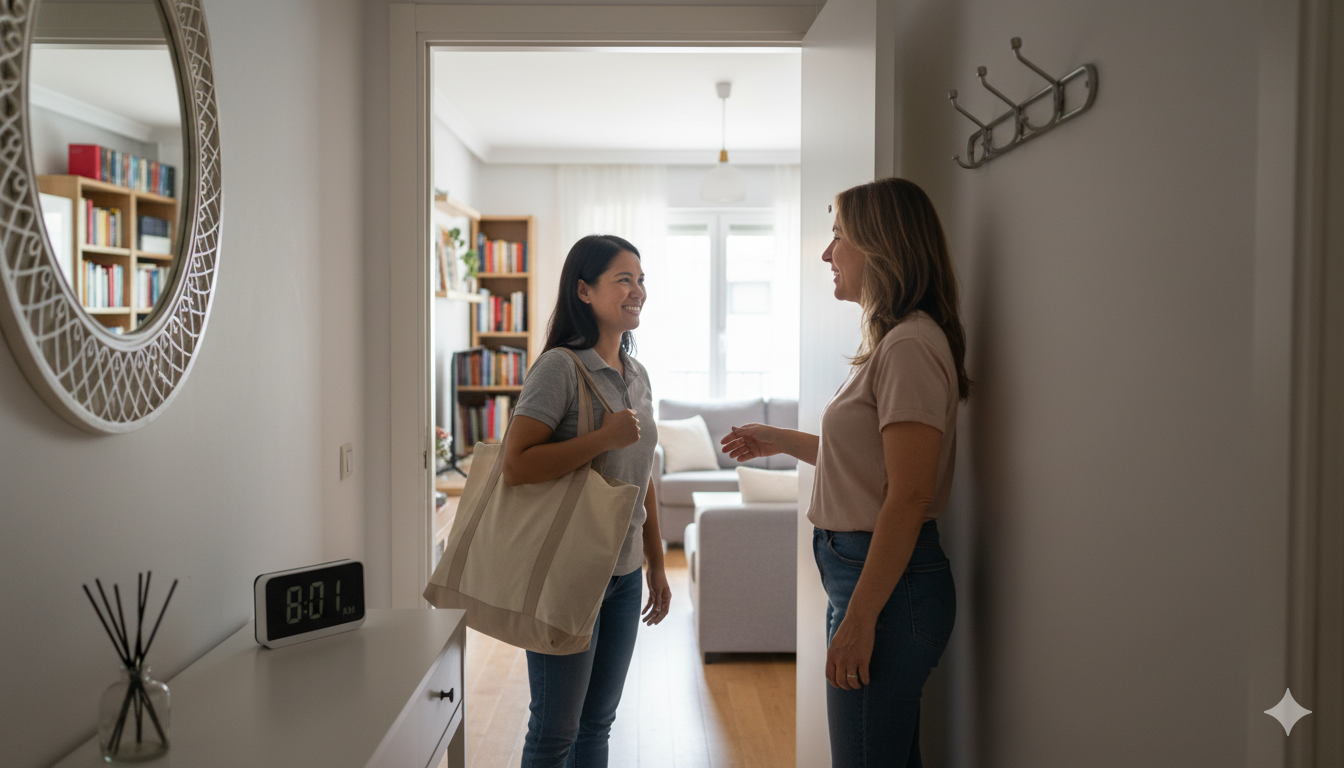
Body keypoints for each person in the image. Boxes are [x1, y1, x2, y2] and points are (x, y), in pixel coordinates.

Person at [720, 178, 971, 767]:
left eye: (839, 237)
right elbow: (870, 467)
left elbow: (909, 496)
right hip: (872, 580)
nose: (828, 254)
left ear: (881, 246)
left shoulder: (909, 346)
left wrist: (859, 619)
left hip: (885, 587)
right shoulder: (896, 343)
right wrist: (776, 439)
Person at [502, 234, 672, 768]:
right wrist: (602, 437)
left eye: (640, 280)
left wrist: (658, 563)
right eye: (624, 279)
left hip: (622, 577)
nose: (638, 291)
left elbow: (640, 474)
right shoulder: (558, 369)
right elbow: (516, 465)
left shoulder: (637, 375)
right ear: (584, 290)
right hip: (567, 573)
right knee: (555, 732)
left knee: (597, 725)